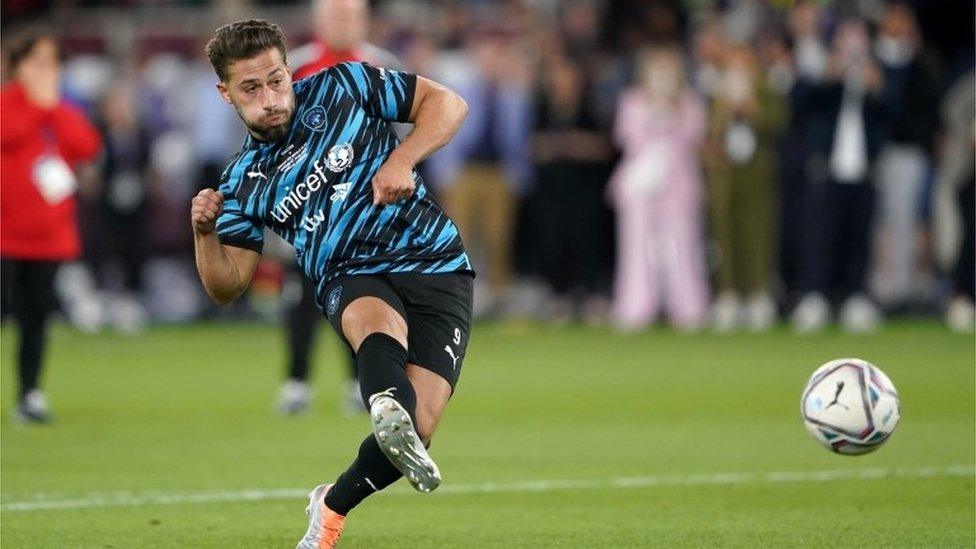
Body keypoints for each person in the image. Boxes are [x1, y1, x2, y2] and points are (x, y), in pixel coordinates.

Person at [193, 21, 471, 547]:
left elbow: (449, 104)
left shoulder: (344, 85)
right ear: (225, 93)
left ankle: (332, 505)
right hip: (350, 273)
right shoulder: (241, 181)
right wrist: (204, 234)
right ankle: (387, 403)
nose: (271, 99)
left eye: (277, 80)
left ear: (289, 71)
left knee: (422, 425)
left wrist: (402, 159)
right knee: (373, 322)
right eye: (251, 89)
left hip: (436, 261)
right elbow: (228, 285)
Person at [276, 0, 403, 416]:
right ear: (318, 20)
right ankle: (297, 383)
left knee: (365, 297)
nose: (342, 21)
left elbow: (403, 133)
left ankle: (358, 384)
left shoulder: (382, 65)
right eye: (335, 14)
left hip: (363, 212)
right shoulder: (293, 68)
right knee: (300, 298)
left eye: (350, 14)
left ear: (364, 21)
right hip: (305, 210)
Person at [1, 27, 102, 422]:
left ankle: (30, 394)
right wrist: (40, 106)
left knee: (35, 322)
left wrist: (51, 107)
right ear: (18, 66)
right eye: (37, 61)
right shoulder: (11, 105)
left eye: (52, 61)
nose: (47, 70)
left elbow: (87, 145)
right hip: (6, 234)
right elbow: (9, 131)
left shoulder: (61, 110)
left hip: (49, 236)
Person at [607, 46, 709, 331]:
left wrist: (672, 112)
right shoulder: (632, 101)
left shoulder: (690, 103)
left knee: (684, 245)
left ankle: (688, 308)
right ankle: (635, 307)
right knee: (635, 247)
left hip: (679, 184)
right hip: (640, 184)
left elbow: (694, 136)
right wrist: (653, 112)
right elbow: (625, 136)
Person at [704, 44, 784, 332]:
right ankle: (727, 295)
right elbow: (709, 133)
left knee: (757, 234)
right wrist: (727, 110)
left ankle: (758, 293)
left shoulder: (766, 91)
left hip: (757, 177)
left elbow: (777, 123)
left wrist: (752, 109)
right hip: (726, 178)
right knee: (725, 236)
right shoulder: (717, 95)